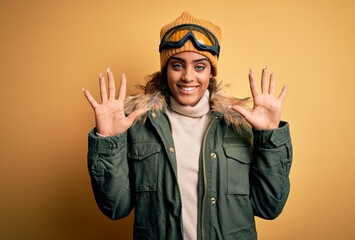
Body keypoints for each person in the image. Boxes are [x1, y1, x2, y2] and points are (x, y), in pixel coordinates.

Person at [83, 11, 292, 240]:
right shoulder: (139, 125)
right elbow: (115, 208)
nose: (188, 77)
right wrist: (108, 142)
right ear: (165, 70)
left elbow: (269, 207)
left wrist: (269, 137)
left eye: (200, 66)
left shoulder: (239, 124)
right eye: (178, 65)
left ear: (212, 72)